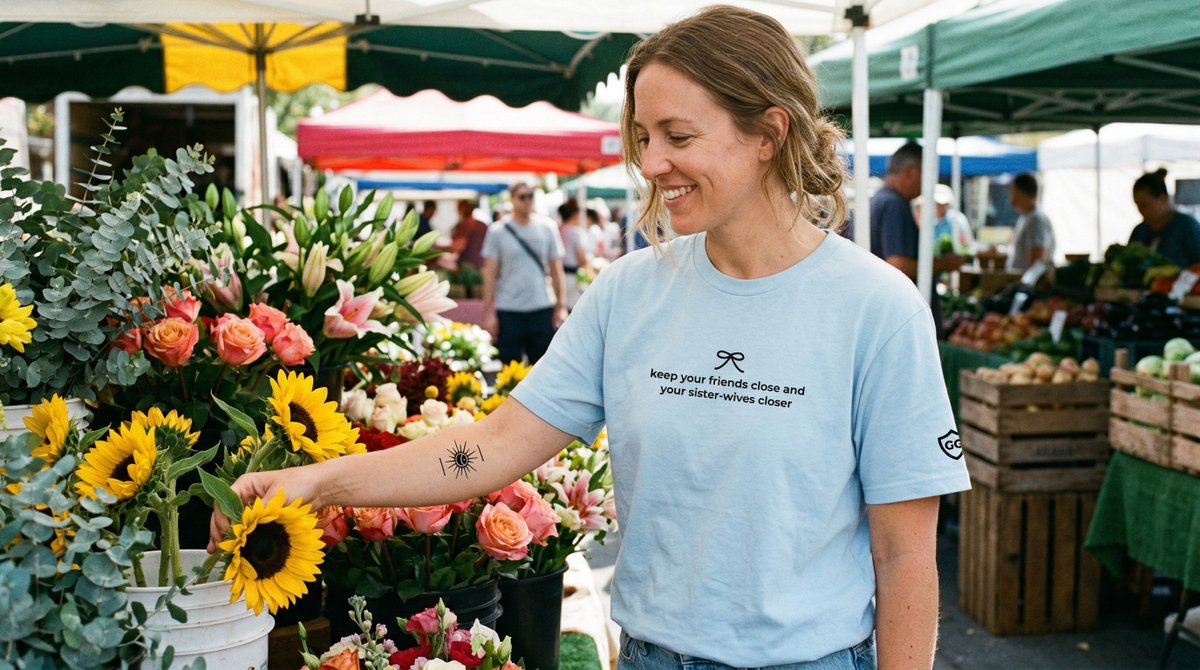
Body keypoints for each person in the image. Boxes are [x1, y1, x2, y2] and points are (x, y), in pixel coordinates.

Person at [210, 7, 969, 670]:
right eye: (642, 136)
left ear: (769, 131)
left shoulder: (875, 308)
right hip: (648, 657)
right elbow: (493, 444)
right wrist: (316, 481)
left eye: (677, 135)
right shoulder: (630, 293)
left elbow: (904, 555)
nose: (651, 163)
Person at [870, 142, 966, 334]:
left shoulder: (880, 199)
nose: (930, 183)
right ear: (911, 172)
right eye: (928, 174)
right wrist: (944, 264)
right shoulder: (894, 205)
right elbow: (898, 264)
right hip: (899, 320)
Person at [479, 182, 567, 364]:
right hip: (509, 308)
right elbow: (489, 274)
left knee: (542, 367)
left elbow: (556, 269)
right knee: (509, 368)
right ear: (512, 199)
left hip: (541, 306)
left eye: (530, 196)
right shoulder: (498, 231)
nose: (527, 201)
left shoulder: (547, 227)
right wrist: (488, 312)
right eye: (522, 197)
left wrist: (561, 306)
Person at [1128, 168, 1200, 268]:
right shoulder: (1139, 231)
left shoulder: (1187, 227)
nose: (1140, 210)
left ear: (1162, 198)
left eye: (1144, 205)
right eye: (1137, 204)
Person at [1006, 173, 1055, 271]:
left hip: (1027, 284)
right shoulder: (1026, 217)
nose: (1010, 195)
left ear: (1020, 192)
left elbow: (1037, 259)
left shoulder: (1036, 219)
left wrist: (1025, 284)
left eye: (1012, 190)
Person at [915, 184, 974, 255]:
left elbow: (965, 244)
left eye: (939, 204)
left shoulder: (957, 219)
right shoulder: (931, 220)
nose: (936, 206)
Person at [557, 200, 594, 310]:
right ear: (575, 214)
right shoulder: (576, 232)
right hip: (572, 278)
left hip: (559, 276)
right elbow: (582, 259)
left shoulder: (557, 229)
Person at [450, 199, 489, 271]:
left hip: (469, 266)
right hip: (483, 264)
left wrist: (438, 249)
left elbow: (458, 246)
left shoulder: (464, 225)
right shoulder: (483, 225)